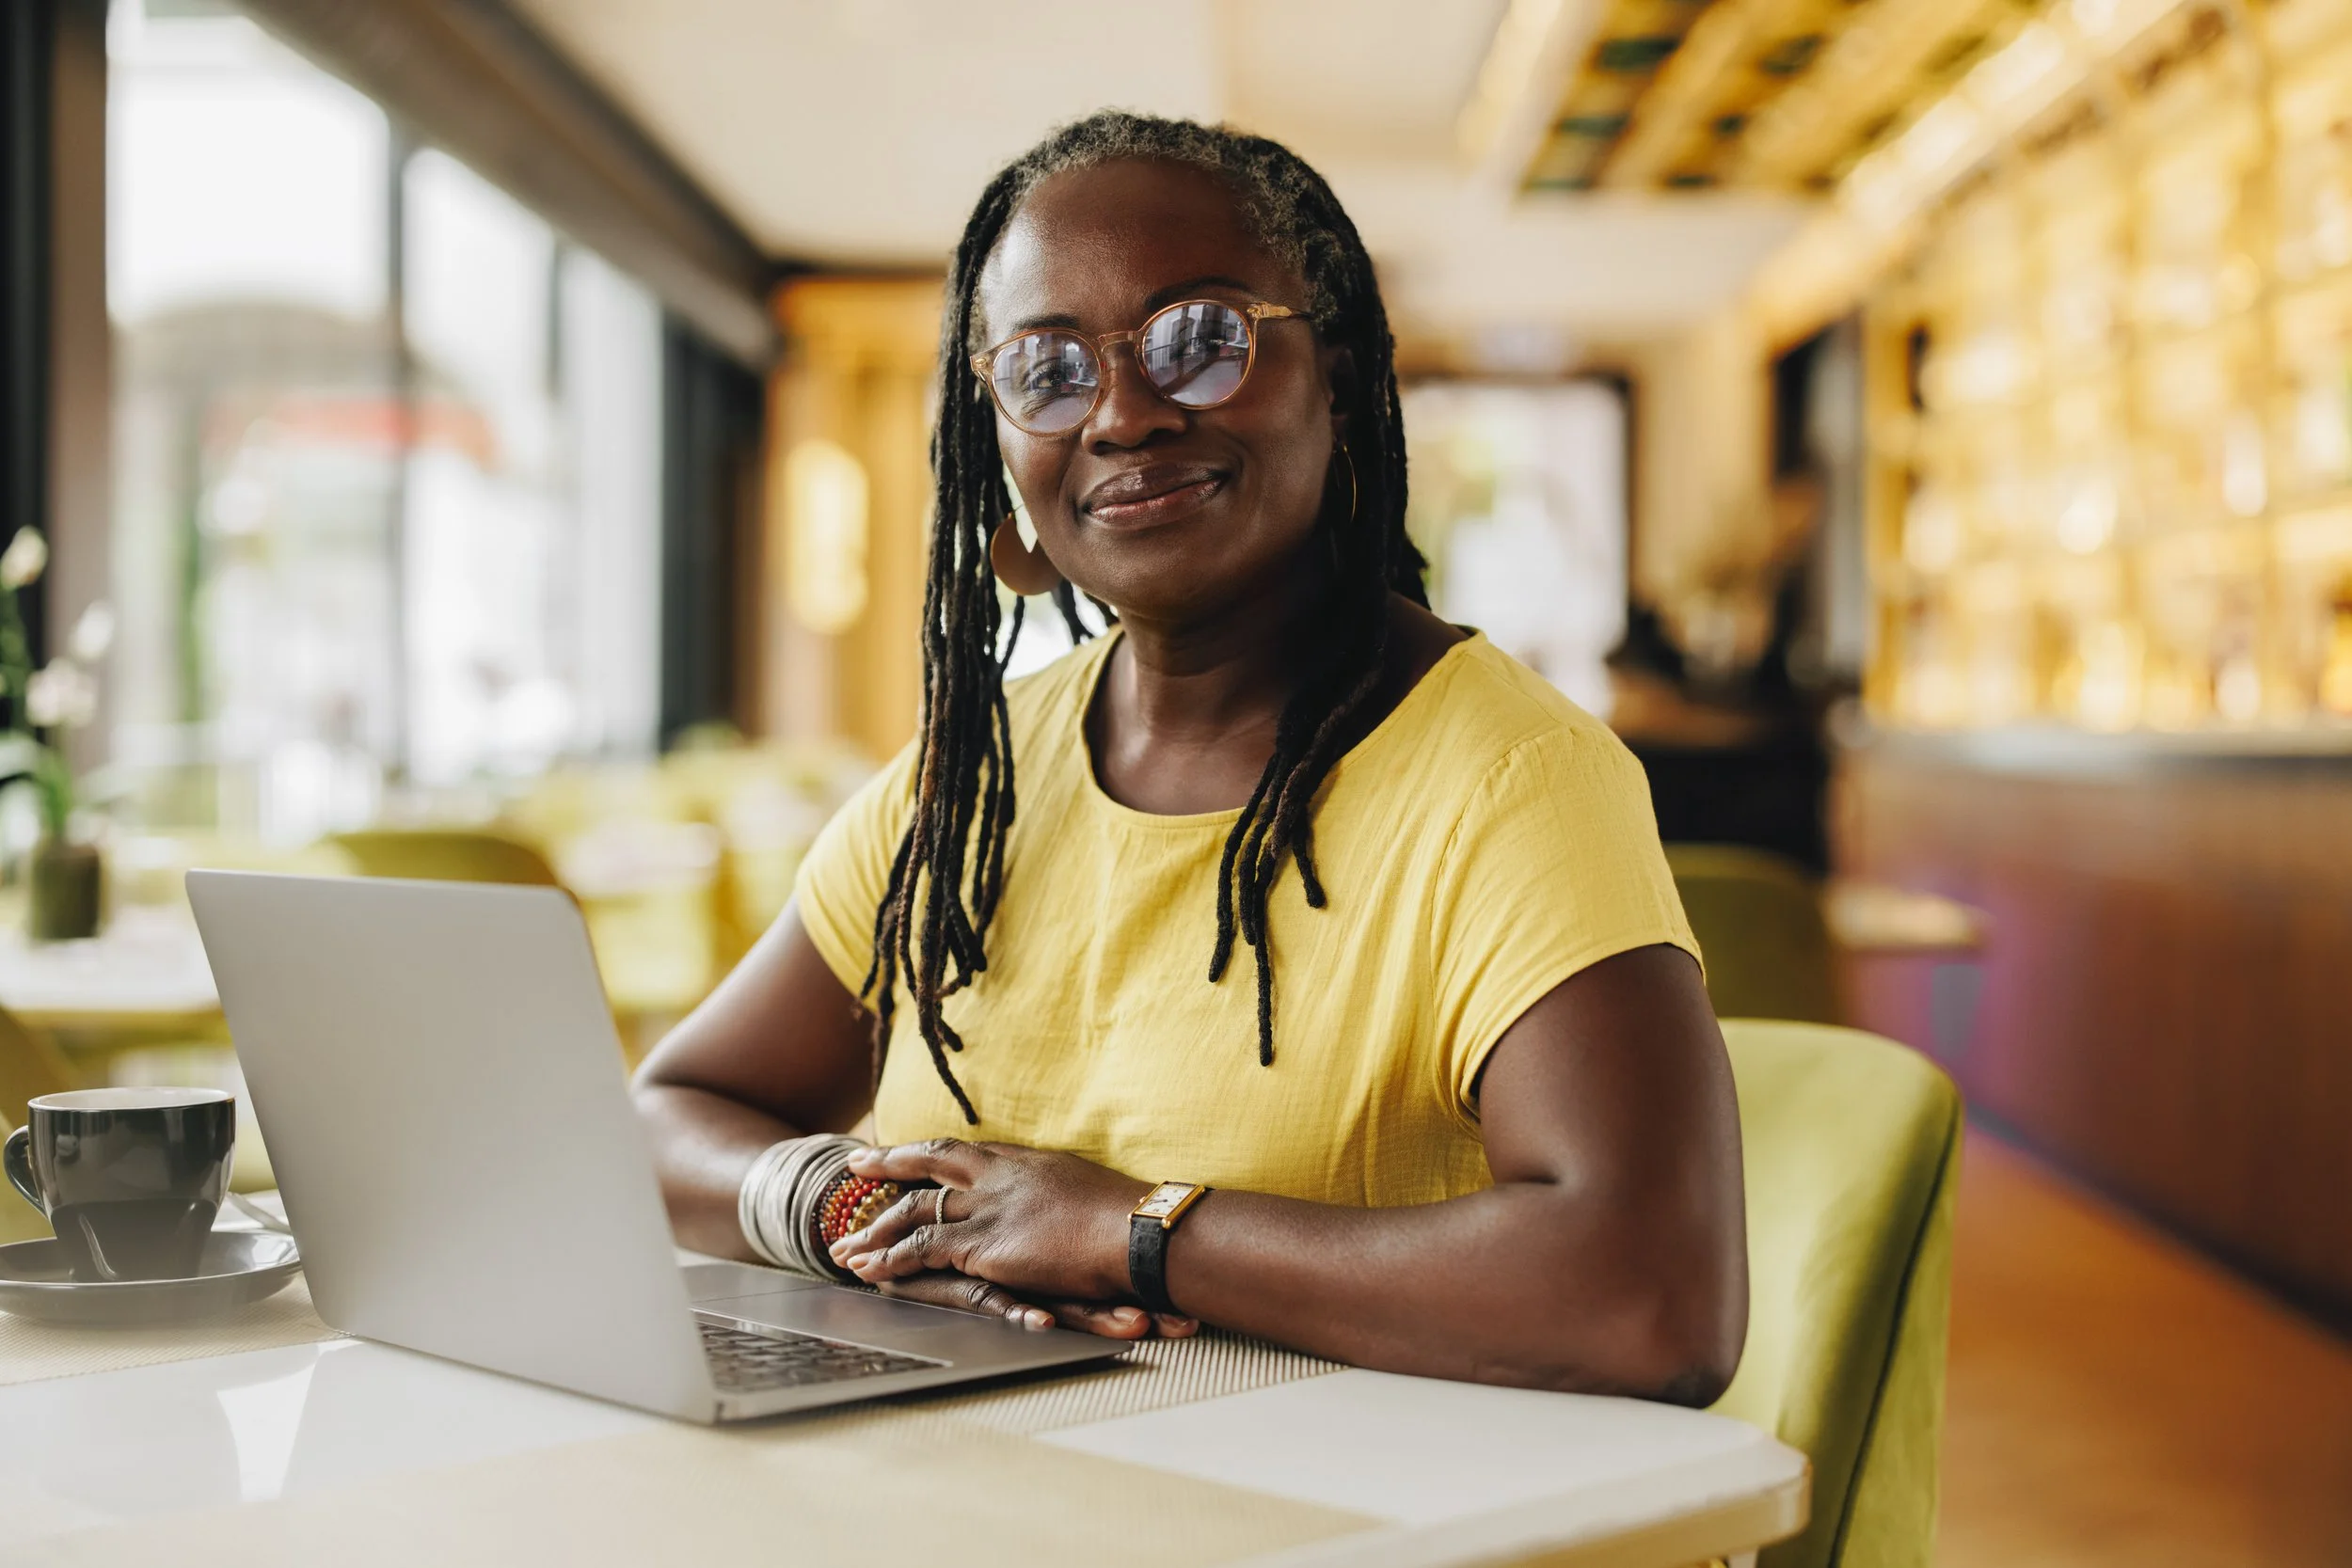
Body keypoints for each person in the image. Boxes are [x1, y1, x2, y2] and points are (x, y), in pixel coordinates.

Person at [633, 112, 1746, 1402]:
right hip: (985, 1488)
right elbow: (668, 1111)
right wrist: (836, 1205)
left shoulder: (1513, 779)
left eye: (1200, 340)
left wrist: (1130, 1228)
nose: (1123, 413)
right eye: (1048, 370)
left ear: (1334, 374)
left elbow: (1651, 1296)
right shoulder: (973, 778)